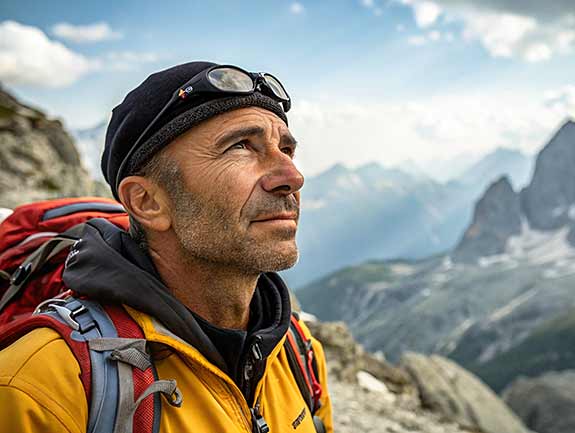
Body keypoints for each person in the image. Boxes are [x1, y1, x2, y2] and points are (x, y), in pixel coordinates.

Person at [0, 61, 333, 433]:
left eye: (286, 149)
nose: (293, 176)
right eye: (241, 146)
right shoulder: (40, 389)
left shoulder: (297, 349)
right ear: (146, 202)